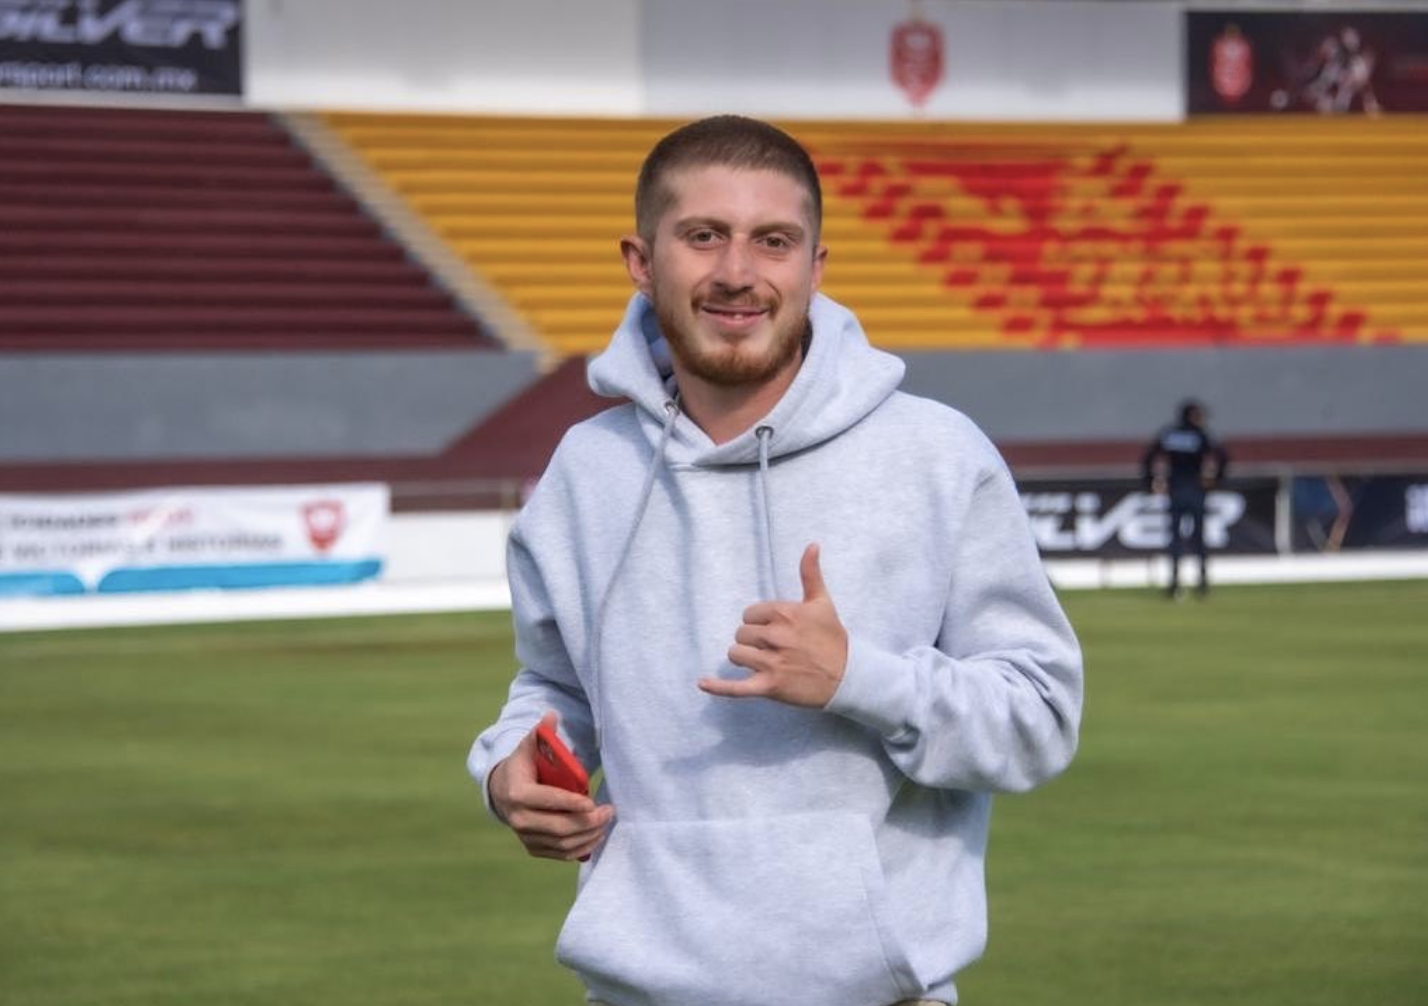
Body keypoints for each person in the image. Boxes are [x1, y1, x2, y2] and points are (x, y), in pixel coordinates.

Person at [468, 115, 1084, 1006]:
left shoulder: (937, 457)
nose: (736, 272)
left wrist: (858, 678)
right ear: (642, 261)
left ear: (815, 267)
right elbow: (556, 687)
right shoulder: (586, 471)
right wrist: (509, 767)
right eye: (703, 236)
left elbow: (1040, 719)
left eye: (773, 241)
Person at [1141, 399, 1230, 599]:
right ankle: (1202, 584)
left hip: (1176, 491)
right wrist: (1216, 480)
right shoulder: (1201, 435)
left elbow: (1148, 458)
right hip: (1196, 491)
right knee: (1198, 540)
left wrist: (1151, 482)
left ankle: (1174, 585)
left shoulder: (1169, 434)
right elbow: (1223, 456)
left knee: (1175, 540)